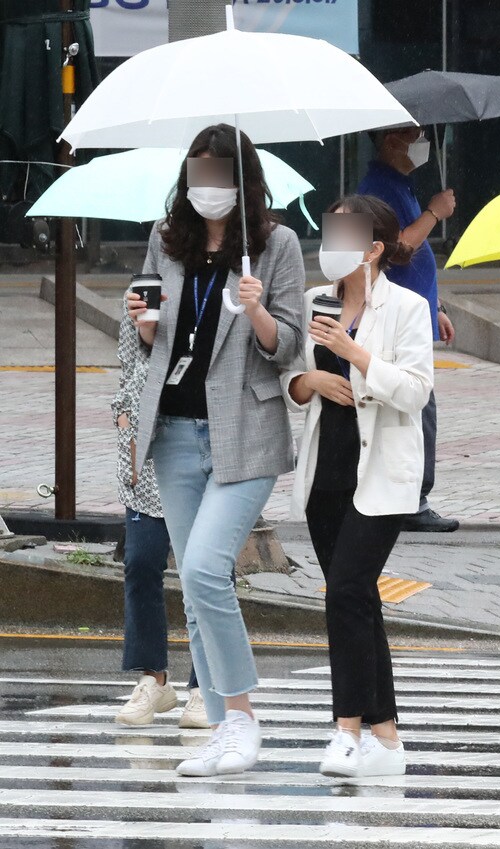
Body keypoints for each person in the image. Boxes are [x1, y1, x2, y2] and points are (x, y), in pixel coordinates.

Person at [125, 123, 305, 776]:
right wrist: (145, 327)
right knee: (198, 586)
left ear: (243, 180)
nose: (206, 189)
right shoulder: (166, 239)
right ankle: (222, 725)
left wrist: (258, 310)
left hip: (245, 434)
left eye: (217, 176)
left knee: (204, 567)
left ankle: (243, 719)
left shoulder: (276, 245)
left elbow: (285, 345)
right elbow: (156, 332)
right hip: (174, 431)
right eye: (196, 175)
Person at [283, 195, 433, 778]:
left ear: (374, 248)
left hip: (383, 475)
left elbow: (417, 391)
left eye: (346, 234)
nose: (333, 244)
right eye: (329, 230)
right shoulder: (312, 301)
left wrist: (356, 357)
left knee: (345, 590)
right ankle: (388, 740)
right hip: (327, 473)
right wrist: (312, 378)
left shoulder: (407, 308)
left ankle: (346, 730)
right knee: (359, 600)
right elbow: (288, 378)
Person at [357, 126, 458, 533]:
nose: (423, 144)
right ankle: (411, 500)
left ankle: (405, 495)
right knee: (415, 405)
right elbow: (395, 251)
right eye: (414, 136)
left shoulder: (401, 185)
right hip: (390, 322)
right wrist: (435, 213)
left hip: (412, 315)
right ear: (390, 142)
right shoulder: (376, 189)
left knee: (409, 408)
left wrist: (435, 305)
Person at [113, 313, 206, 730]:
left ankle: (207, 684)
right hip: (148, 449)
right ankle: (154, 677)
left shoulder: (215, 285)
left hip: (202, 444)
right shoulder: (142, 291)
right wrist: (124, 417)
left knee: (203, 572)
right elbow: (129, 366)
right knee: (141, 561)